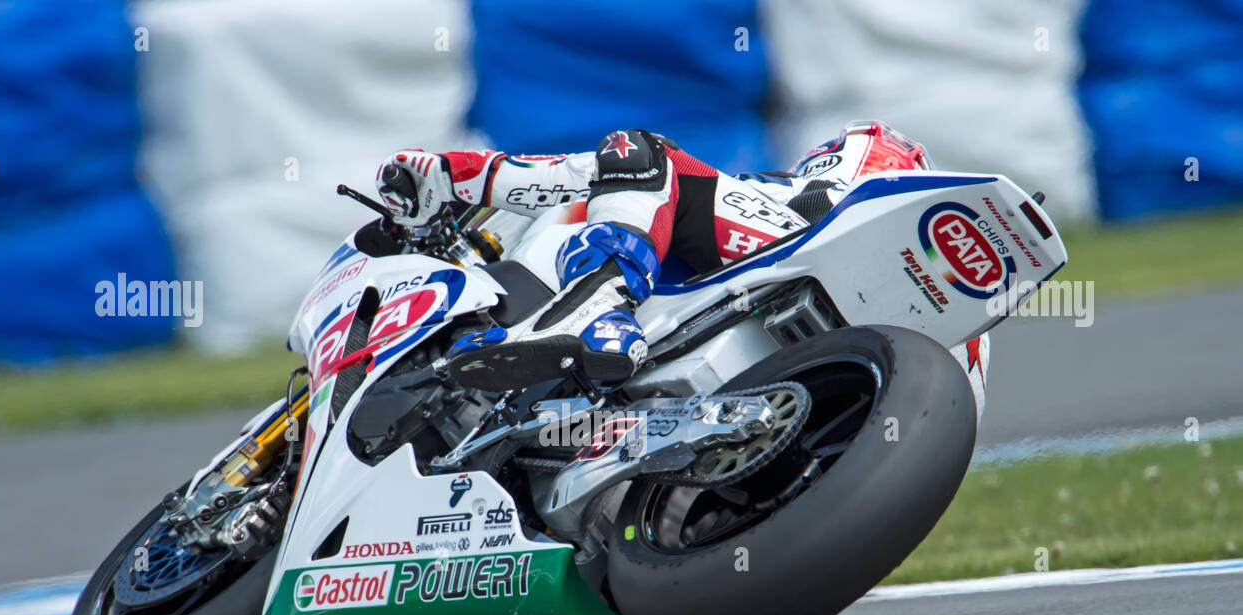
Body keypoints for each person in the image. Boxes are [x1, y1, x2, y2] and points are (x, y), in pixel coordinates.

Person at [375, 121, 986, 414]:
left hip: (789, 266)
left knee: (637, 153)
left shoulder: (806, 190)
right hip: (872, 412)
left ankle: (597, 307)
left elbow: (590, 172)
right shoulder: (964, 337)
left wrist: (461, 176)